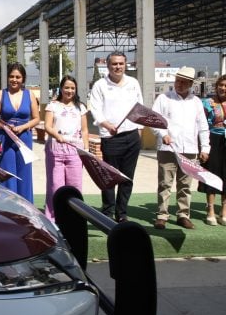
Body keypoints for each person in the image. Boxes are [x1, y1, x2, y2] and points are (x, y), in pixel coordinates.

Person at [151, 67, 210, 230]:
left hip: (190, 149)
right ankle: (162, 215)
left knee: (185, 184)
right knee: (165, 183)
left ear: (191, 84)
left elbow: (203, 126)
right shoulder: (163, 98)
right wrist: (163, 134)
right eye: (178, 80)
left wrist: (205, 147)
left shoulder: (196, 102)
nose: (179, 84)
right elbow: (154, 120)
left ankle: (183, 214)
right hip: (167, 148)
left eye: (183, 82)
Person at [89, 51, 143, 222]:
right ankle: (107, 213)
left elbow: (139, 107)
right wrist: (107, 125)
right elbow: (95, 110)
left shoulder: (133, 83)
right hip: (110, 138)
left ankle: (122, 213)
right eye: (114, 64)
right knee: (109, 177)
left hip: (132, 137)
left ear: (125, 64)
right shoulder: (100, 85)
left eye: (121, 63)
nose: (118, 67)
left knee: (127, 178)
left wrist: (139, 131)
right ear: (108, 65)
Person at [0, 62, 40, 202]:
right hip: (5, 139)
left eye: (18, 77)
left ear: (23, 79)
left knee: (25, 175)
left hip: (24, 139)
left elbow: (36, 118)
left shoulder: (30, 95)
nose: (14, 80)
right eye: (11, 76)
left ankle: (26, 210)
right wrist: (4, 127)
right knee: (6, 173)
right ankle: (6, 208)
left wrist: (23, 127)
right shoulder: (1, 94)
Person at [43, 75, 89, 222]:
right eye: (67, 87)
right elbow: (47, 126)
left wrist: (86, 149)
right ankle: (52, 219)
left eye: (72, 88)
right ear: (61, 89)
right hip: (55, 150)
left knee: (74, 186)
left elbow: (85, 130)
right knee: (55, 187)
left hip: (75, 151)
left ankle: (74, 217)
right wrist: (56, 135)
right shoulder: (52, 106)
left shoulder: (80, 107)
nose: (69, 90)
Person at [198, 74, 226, 225]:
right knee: (212, 175)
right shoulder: (208, 103)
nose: (223, 88)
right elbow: (201, 124)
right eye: (221, 85)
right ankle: (210, 211)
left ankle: (224, 212)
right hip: (213, 140)